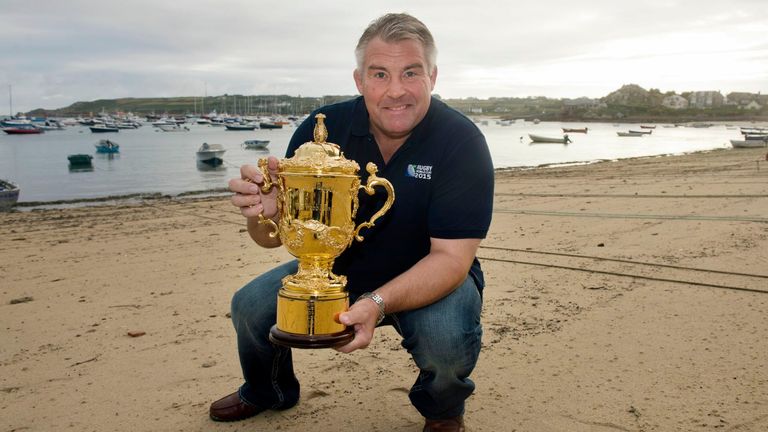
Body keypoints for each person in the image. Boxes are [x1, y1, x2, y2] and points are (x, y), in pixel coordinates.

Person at [214, 13, 494, 432]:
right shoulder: (321, 130)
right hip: (332, 270)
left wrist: (375, 303)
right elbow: (272, 241)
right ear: (359, 80)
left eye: (410, 73)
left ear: (432, 77)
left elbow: (452, 259)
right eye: (380, 74)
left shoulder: (461, 141)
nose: (395, 90)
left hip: (430, 274)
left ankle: (442, 409)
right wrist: (266, 212)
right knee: (249, 308)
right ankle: (268, 390)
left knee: (447, 342)